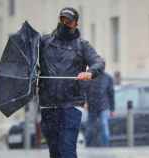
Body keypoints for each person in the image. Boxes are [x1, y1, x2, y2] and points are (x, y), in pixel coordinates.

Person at [38, 7, 105, 158]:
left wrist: (90, 72)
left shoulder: (82, 45)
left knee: (67, 150)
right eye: (62, 19)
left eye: (69, 20)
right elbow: (29, 60)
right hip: (48, 105)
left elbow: (98, 62)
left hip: (71, 104)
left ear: (76, 24)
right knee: (54, 151)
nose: (65, 23)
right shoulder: (44, 42)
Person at [84, 72, 115, 147]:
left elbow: (111, 94)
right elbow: (85, 91)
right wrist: (85, 102)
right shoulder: (90, 77)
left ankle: (105, 146)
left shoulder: (107, 78)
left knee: (103, 126)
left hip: (103, 107)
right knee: (90, 128)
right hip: (92, 107)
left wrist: (112, 109)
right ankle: (88, 145)